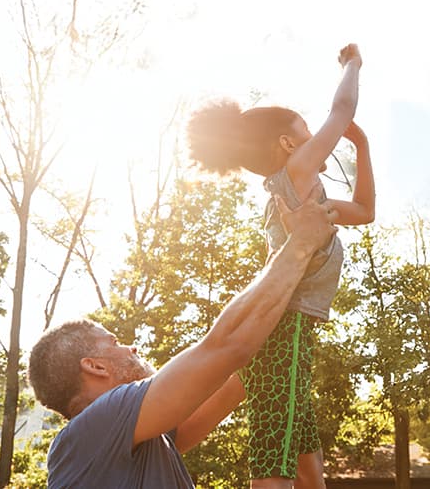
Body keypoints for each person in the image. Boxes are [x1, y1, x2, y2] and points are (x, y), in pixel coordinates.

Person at [27, 192, 340, 488]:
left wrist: (283, 257)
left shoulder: (145, 439)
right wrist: (300, 243)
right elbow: (226, 347)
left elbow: (242, 377)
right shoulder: (92, 430)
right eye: (114, 342)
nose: (130, 347)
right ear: (95, 366)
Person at [182, 43, 375, 488]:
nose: (319, 136)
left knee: (305, 456)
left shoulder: (308, 196)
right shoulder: (296, 175)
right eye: (309, 130)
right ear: (288, 144)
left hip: (288, 329)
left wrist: (362, 146)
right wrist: (352, 63)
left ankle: (167, 438)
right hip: (282, 329)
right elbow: (343, 107)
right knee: (274, 448)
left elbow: (364, 211)